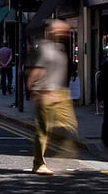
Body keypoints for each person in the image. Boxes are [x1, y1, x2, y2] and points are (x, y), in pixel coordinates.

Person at [26, 19, 79, 175]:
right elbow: (36, 70)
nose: (63, 33)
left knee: (70, 126)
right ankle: (39, 163)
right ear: (51, 32)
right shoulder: (43, 49)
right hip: (45, 92)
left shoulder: (60, 48)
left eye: (65, 31)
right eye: (60, 31)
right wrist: (33, 90)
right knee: (43, 131)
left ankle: (65, 154)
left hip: (60, 93)